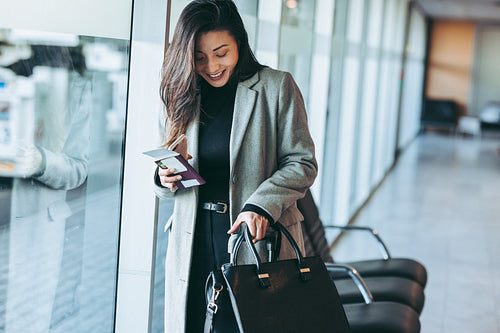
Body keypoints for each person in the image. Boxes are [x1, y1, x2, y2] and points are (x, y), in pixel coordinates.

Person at [153, 0, 317, 331]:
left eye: (221, 52)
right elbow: (167, 177)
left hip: (255, 237)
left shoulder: (276, 87)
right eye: (198, 57)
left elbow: (302, 162)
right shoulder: (179, 93)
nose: (211, 65)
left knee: (248, 323)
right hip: (194, 238)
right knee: (193, 321)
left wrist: (262, 205)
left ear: (239, 43)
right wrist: (164, 177)